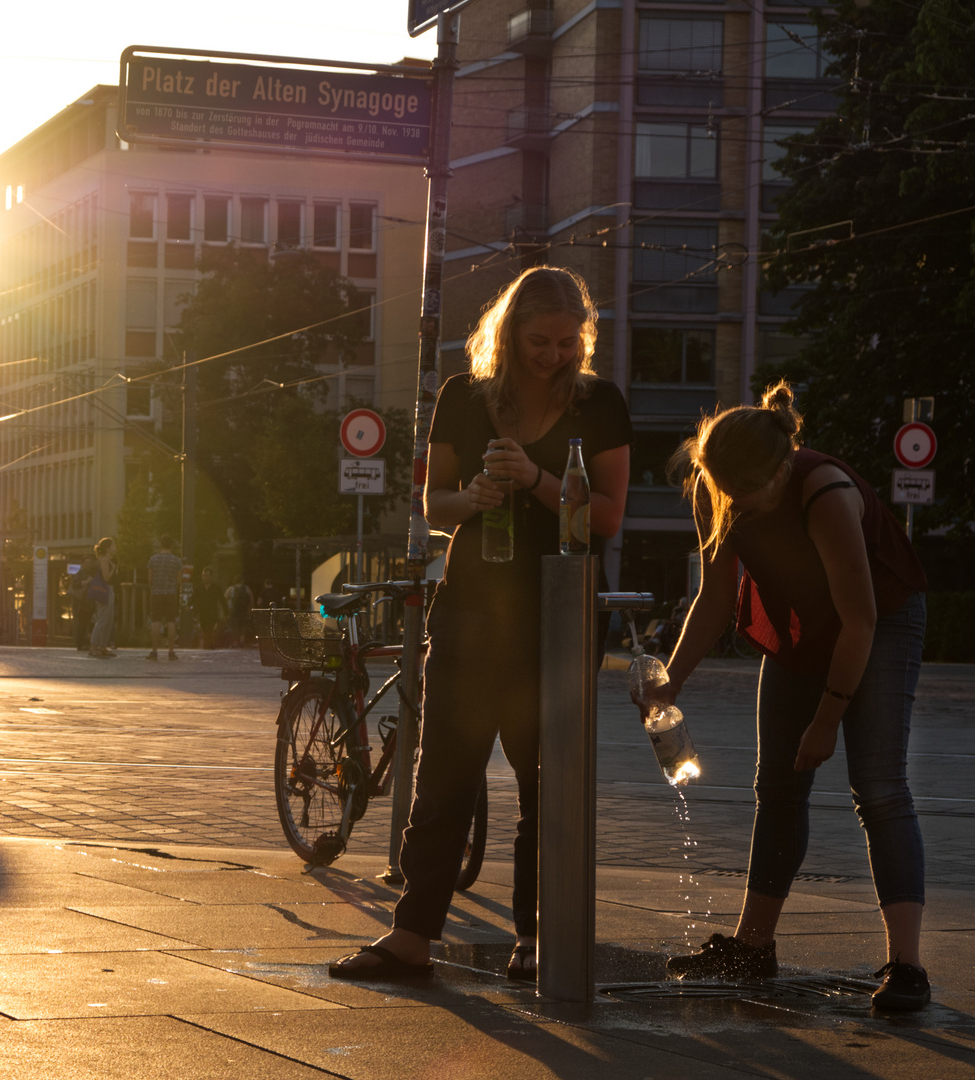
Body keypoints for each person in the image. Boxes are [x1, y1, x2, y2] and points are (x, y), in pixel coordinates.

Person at [329, 266, 631, 984]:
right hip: (469, 610)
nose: (552, 355)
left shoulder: (598, 405)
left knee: (544, 783)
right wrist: (474, 495)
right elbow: (434, 507)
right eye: (537, 340)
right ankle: (410, 935)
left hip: (555, 619)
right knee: (444, 777)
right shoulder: (463, 398)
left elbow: (607, 519)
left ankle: (537, 935)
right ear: (508, 332)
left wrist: (535, 480)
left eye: (566, 342)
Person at [643, 383, 931, 1011]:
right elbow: (715, 598)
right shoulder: (713, 484)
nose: (732, 502)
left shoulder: (825, 492)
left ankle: (907, 966)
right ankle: (753, 947)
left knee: (879, 787)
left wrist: (826, 719)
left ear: (780, 470)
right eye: (722, 489)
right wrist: (672, 678)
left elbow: (860, 622)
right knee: (775, 784)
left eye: (745, 493)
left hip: (879, 621)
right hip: (803, 626)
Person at [146, 535, 183, 661]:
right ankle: (171, 652)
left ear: (160, 544)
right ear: (171, 545)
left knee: (156, 621)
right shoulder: (177, 561)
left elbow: (150, 580)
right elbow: (179, 581)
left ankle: (154, 651)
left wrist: (154, 588)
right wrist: (173, 588)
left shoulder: (153, 560)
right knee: (171, 622)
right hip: (171, 593)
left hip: (156, 593)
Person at [88, 536, 118, 658]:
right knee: (103, 619)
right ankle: (94, 646)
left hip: (108, 590)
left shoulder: (106, 559)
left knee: (108, 620)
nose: (115, 548)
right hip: (104, 591)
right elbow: (106, 577)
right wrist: (114, 569)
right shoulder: (104, 560)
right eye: (113, 546)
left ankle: (102, 646)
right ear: (108, 548)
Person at [193, 565, 223, 648]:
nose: (204, 577)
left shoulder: (216, 587)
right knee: (204, 628)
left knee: (209, 629)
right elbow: (194, 597)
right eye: (203, 575)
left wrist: (227, 612)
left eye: (206, 576)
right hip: (203, 612)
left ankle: (208, 645)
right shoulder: (200, 587)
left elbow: (222, 600)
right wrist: (188, 605)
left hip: (212, 612)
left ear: (211, 576)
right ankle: (209, 644)